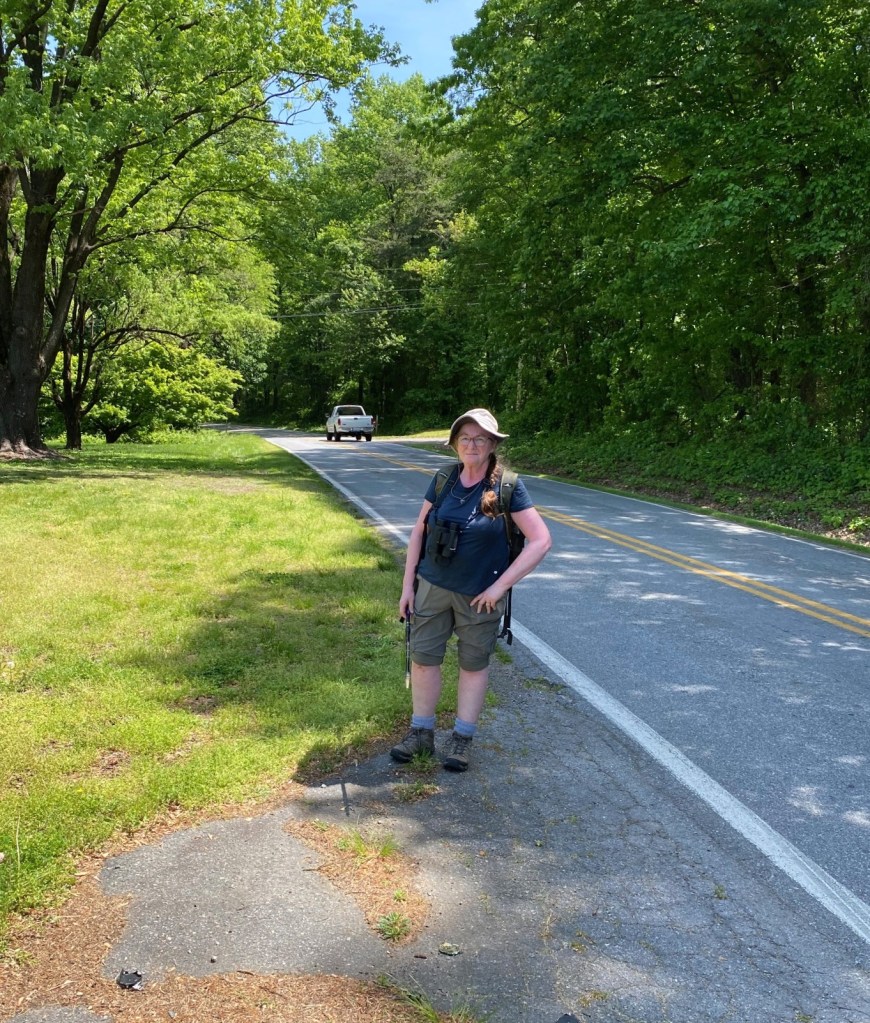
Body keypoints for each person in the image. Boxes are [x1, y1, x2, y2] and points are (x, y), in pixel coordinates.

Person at [392, 408, 552, 772]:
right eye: (465, 438)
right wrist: (407, 586)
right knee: (423, 659)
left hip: (480, 596)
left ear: (493, 444)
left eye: (481, 438)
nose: (472, 444)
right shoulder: (443, 479)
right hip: (431, 587)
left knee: (473, 665)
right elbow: (419, 532)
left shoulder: (507, 487)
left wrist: (499, 588)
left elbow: (541, 541)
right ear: (454, 444)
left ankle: (462, 739)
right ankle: (421, 733)